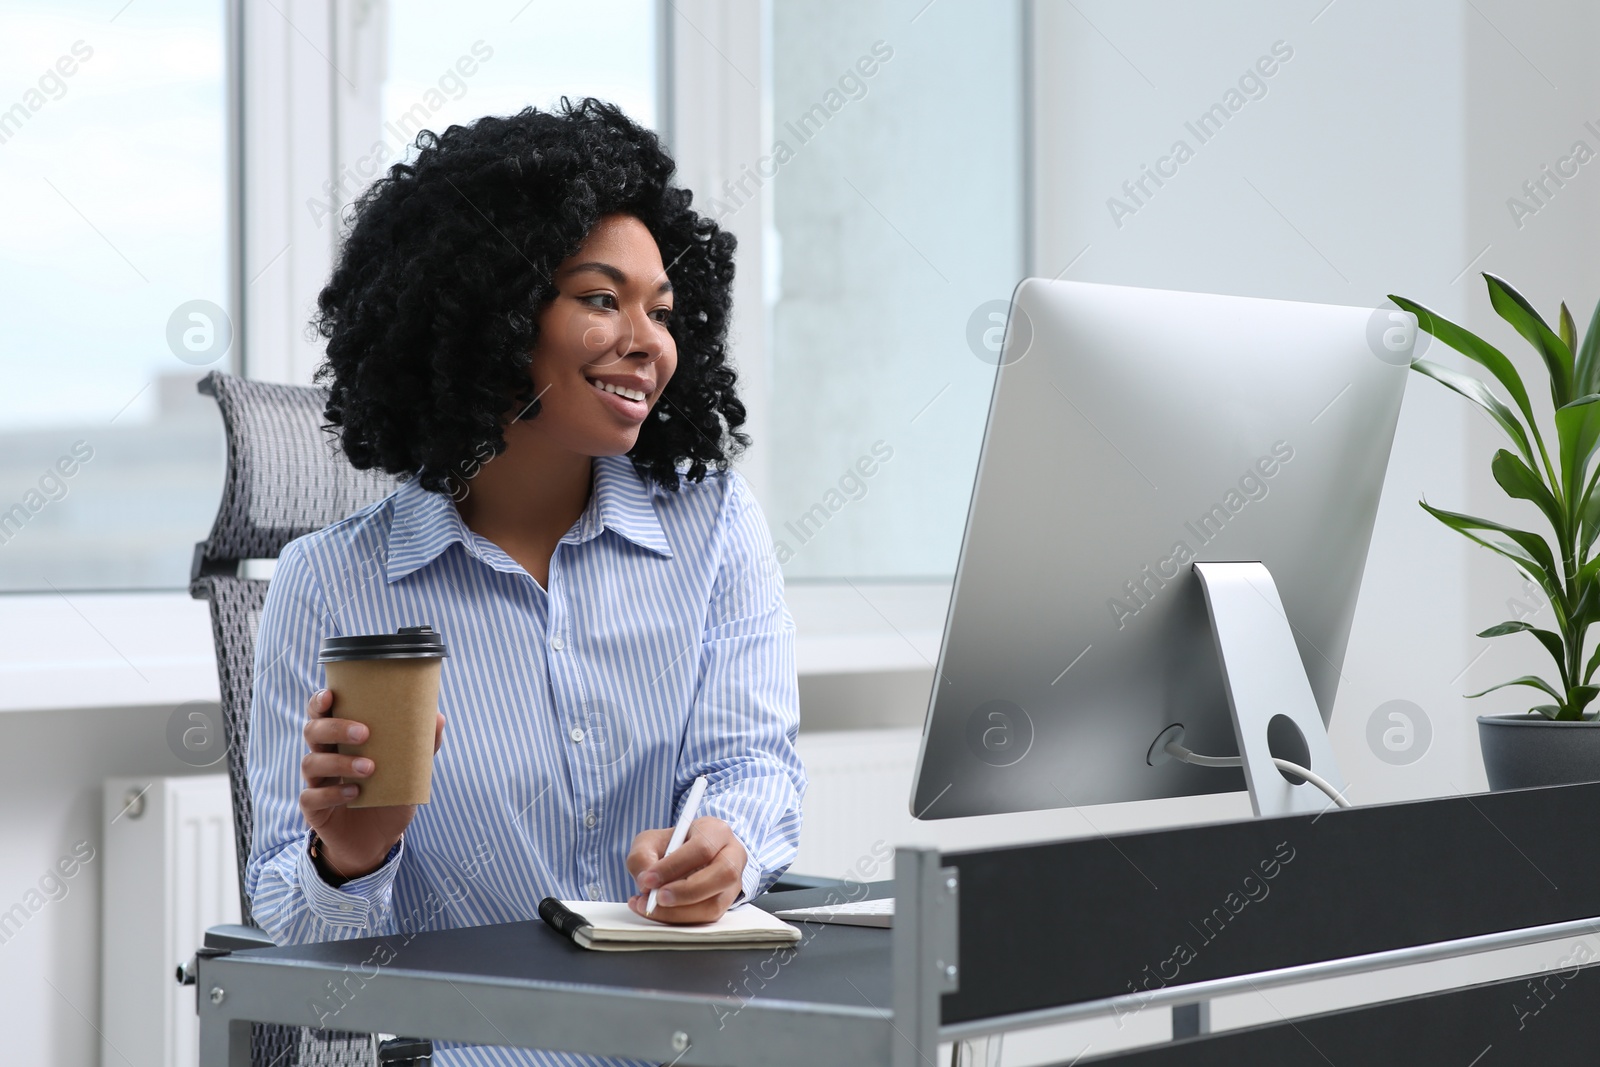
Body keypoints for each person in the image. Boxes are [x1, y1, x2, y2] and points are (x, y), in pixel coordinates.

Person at [246, 98, 805, 1066]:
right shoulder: (331, 580)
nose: (648, 341)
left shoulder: (713, 523)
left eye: (663, 312)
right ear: (487, 314)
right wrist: (352, 853)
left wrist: (726, 844)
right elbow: (299, 942)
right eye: (600, 299)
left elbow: (757, 764)